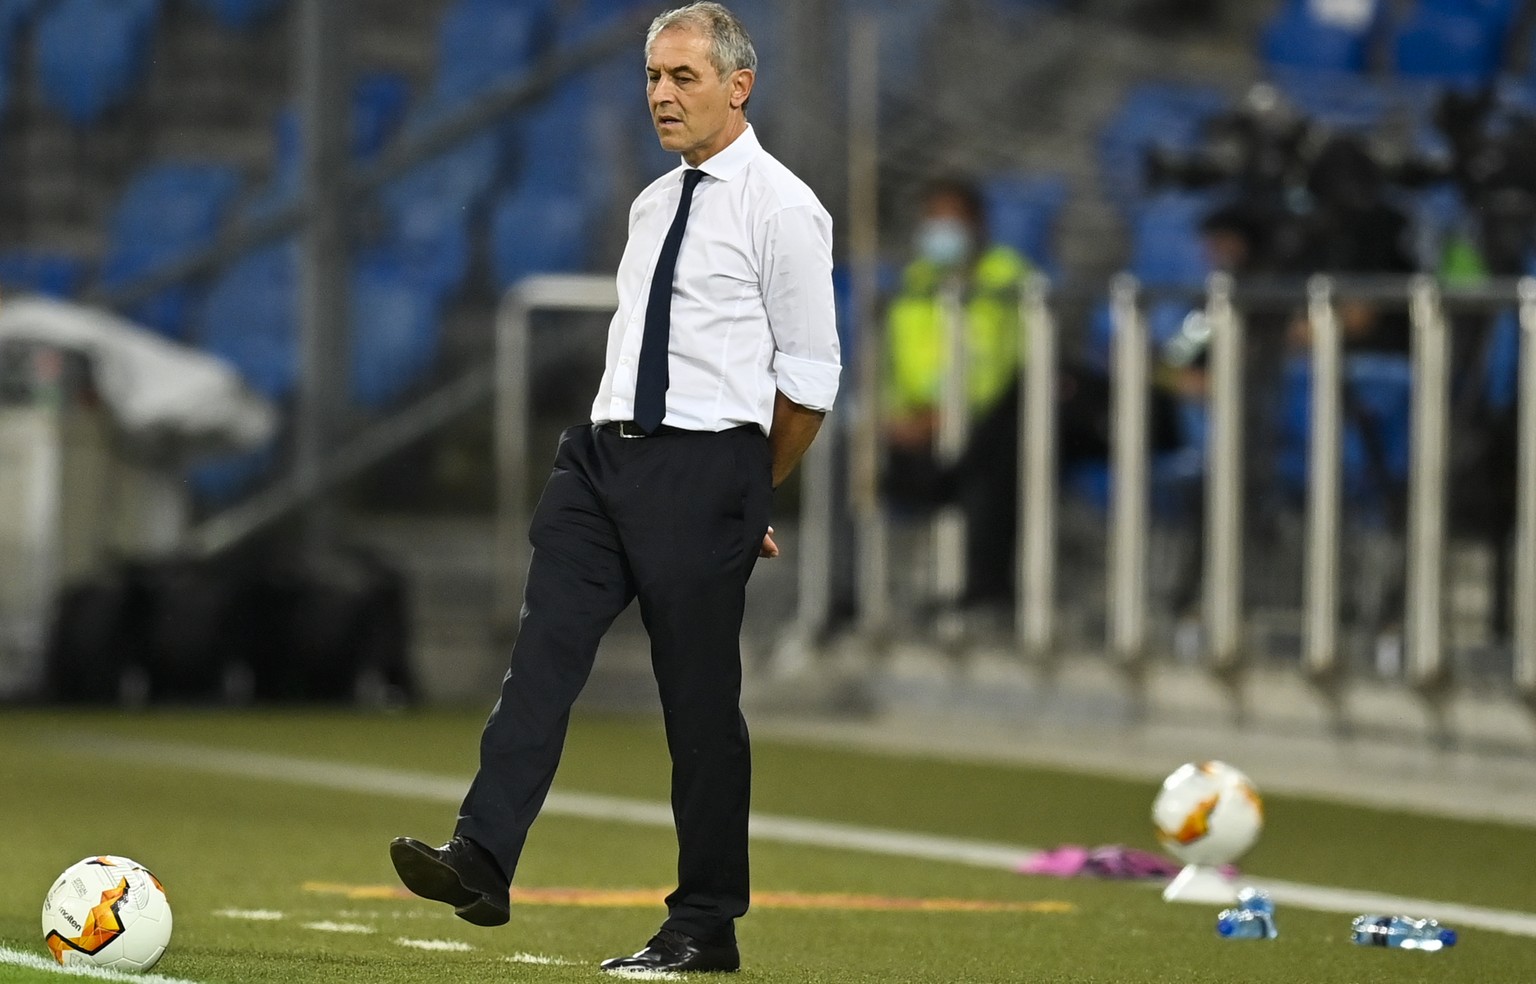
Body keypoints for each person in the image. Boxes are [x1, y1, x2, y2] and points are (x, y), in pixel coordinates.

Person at [388, 3, 840, 974]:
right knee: (539, 661)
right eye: (652, 78)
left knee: (698, 711)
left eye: (683, 77)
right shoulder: (650, 203)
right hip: (599, 461)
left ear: (738, 85)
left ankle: (705, 924)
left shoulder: (785, 208)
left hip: (703, 467)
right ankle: (483, 857)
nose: (662, 96)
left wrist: (746, 493)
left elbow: (809, 382)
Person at [882, 177, 1031, 608]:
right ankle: (849, 595)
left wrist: (946, 413)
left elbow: (999, 363)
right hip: (918, 423)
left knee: (992, 458)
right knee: (841, 447)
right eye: (934, 220)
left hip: (984, 421)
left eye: (952, 220)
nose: (941, 230)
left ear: (977, 224)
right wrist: (896, 416)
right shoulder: (914, 283)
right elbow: (893, 361)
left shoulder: (1007, 278)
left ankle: (985, 594)